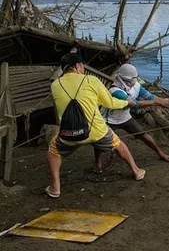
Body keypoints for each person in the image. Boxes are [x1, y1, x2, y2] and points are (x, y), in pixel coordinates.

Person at [47, 52, 145, 198]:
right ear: (78, 66)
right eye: (82, 66)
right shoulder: (91, 80)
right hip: (96, 131)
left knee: (53, 151)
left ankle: (55, 188)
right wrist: (128, 102)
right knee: (118, 144)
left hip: (69, 134)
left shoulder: (55, 85)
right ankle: (136, 171)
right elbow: (110, 103)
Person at [101, 64, 169, 168]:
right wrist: (156, 103)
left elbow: (151, 97)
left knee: (144, 135)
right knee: (102, 142)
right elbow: (135, 104)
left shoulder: (136, 85)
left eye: (133, 80)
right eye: (129, 81)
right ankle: (98, 162)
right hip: (109, 119)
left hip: (125, 117)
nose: (132, 84)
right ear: (121, 79)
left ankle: (161, 153)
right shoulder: (115, 91)